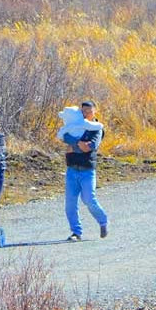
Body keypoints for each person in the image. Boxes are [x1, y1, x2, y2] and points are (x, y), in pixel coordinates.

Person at [58, 100, 109, 241]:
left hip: (87, 170)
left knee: (89, 199)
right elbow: (65, 138)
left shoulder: (97, 128)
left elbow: (90, 146)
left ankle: (103, 221)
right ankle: (76, 232)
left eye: (89, 111)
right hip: (72, 169)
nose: (86, 114)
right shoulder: (73, 125)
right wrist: (78, 144)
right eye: (83, 111)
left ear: (95, 111)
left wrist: (74, 146)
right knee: (70, 204)